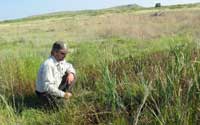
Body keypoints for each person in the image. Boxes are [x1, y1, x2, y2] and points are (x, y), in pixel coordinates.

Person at [35, 41, 76, 108]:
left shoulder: (61, 60)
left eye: (66, 53)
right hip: (45, 94)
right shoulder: (48, 65)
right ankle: (61, 99)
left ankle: (64, 98)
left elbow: (69, 66)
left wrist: (71, 73)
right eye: (62, 53)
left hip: (55, 89)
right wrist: (63, 94)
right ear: (55, 52)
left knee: (73, 76)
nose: (65, 55)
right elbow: (47, 87)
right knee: (62, 107)